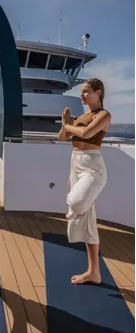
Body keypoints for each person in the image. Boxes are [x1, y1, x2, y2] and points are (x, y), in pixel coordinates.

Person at [58, 78, 111, 285]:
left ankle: (72, 207)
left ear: (98, 93)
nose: (82, 95)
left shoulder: (104, 115)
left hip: (93, 168)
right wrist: (67, 125)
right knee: (89, 222)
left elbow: (86, 133)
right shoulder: (82, 116)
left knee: (77, 203)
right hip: (76, 165)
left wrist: (68, 126)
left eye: (86, 91)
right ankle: (93, 272)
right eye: (81, 91)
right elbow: (62, 137)